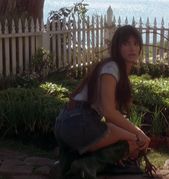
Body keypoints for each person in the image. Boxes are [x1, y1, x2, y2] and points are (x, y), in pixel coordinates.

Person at [54, 25, 150, 177]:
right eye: (126, 43)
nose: (132, 48)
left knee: (125, 136)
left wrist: (128, 133)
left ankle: (69, 164)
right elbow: (109, 112)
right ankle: (85, 167)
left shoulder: (114, 69)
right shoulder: (112, 69)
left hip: (65, 123)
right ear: (117, 47)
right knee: (134, 141)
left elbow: (112, 115)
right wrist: (138, 134)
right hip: (79, 123)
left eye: (135, 43)